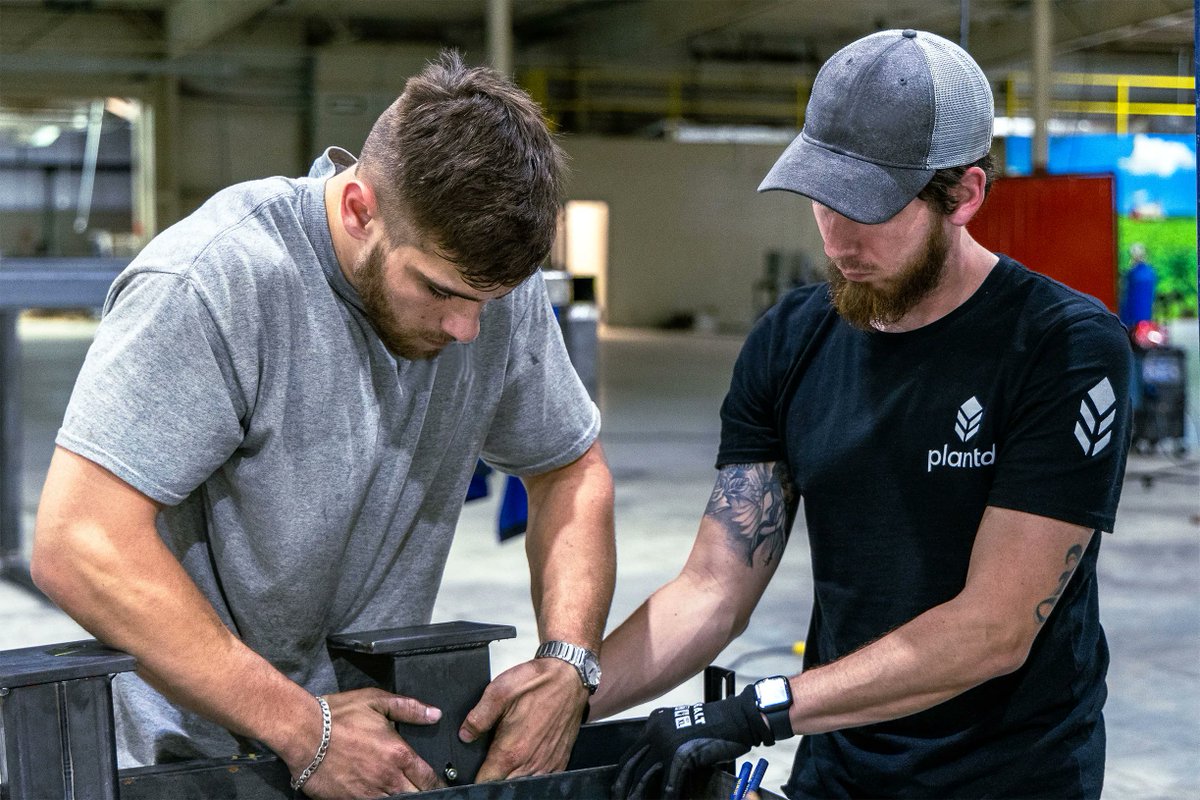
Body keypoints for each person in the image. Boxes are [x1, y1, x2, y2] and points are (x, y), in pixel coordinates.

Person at [31, 52, 616, 799]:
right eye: (439, 290)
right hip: (188, 765)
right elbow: (80, 540)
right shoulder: (217, 280)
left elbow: (569, 466)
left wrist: (570, 661)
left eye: (488, 301)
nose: (468, 329)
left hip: (372, 749)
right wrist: (305, 727)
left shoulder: (491, 295)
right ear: (357, 210)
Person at [593, 29, 1132, 800]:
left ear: (966, 195)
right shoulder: (791, 340)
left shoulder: (1064, 348)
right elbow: (714, 586)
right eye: (822, 198)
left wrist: (764, 708)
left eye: (870, 207)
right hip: (838, 769)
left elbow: (993, 629)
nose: (838, 237)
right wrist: (566, 696)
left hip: (1012, 778)